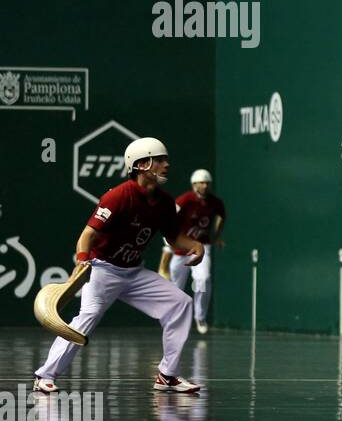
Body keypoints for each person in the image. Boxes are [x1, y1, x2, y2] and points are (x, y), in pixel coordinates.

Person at [33, 137, 204, 394]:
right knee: (87, 317)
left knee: (181, 303)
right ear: (143, 164)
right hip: (104, 270)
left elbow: (173, 238)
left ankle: (167, 375)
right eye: (160, 160)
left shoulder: (166, 202)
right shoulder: (118, 196)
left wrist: (195, 244)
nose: (167, 164)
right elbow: (87, 236)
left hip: (135, 272)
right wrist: (82, 261)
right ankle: (45, 375)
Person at [159, 168, 226, 334]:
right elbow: (168, 219)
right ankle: (172, 319)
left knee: (203, 280)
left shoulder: (215, 202)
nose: (205, 186)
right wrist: (170, 243)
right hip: (181, 249)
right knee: (175, 287)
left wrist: (216, 236)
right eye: (201, 183)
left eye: (207, 183)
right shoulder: (184, 200)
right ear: (194, 184)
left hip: (202, 247)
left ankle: (200, 316)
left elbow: (221, 216)